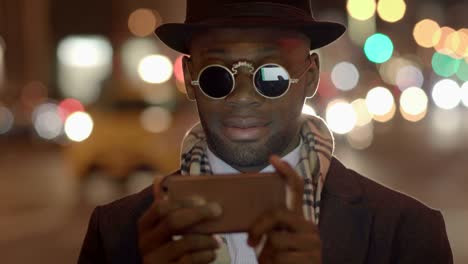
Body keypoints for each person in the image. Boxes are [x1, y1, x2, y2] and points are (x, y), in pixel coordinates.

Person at [78, 0, 453, 263]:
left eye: (270, 76)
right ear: (191, 80)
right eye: (217, 77)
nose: (243, 98)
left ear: (310, 77)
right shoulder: (116, 235)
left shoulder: (406, 233)